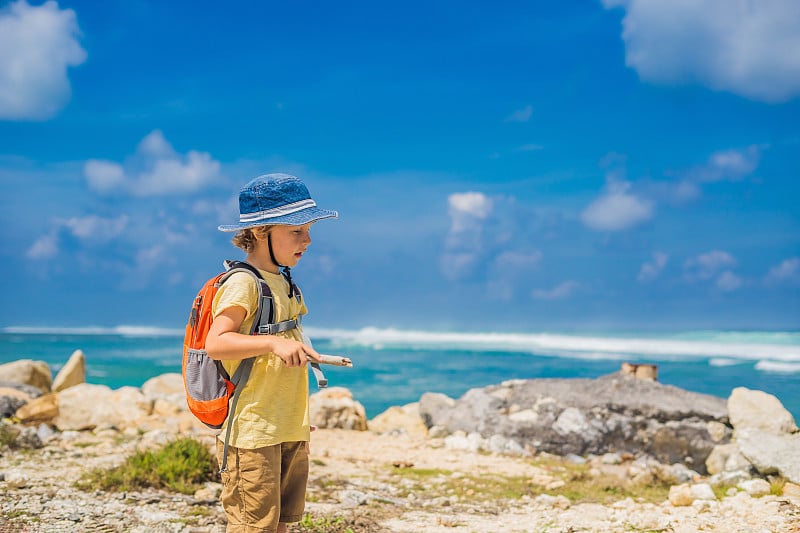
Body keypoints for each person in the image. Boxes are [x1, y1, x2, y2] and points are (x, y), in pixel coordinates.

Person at [205, 173, 338, 533]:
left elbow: (286, 341)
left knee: (281, 523)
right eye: (297, 231)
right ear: (261, 232)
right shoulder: (243, 283)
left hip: (285, 426)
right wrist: (274, 343)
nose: (307, 240)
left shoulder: (283, 279)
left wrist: (307, 366)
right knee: (253, 526)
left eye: (309, 230)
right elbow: (216, 343)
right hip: (252, 433)